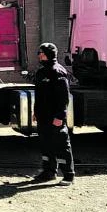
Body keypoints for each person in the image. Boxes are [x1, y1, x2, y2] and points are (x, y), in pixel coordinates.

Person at [32, 43, 75, 186]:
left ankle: (68, 174)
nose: (39, 56)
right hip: (42, 116)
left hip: (54, 116)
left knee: (61, 144)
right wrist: (35, 112)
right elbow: (38, 95)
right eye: (39, 53)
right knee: (46, 143)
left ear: (50, 54)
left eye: (42, 53)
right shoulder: (41, 72)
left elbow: (64, 97)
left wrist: (60, 116)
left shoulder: (58, 72)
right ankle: (49, 172)